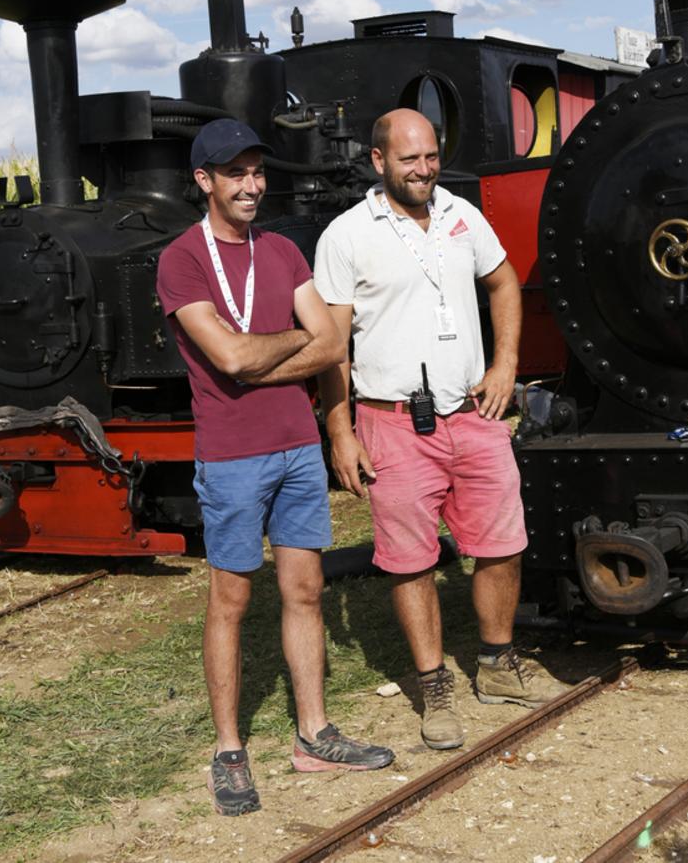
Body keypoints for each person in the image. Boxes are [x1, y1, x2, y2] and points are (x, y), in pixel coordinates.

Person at [156, 118, 394, 817]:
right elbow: (228, 357)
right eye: (235, 172)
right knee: (230, 601)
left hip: (296, 448)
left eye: (257, 171)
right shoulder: (182, 260)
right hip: (231, 456)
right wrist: (292, 347)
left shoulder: (284, 250)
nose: (251, 184)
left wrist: (263, 356)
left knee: (306, 590)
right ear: (205, 180)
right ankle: (229, 749)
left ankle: (313, 734)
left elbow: (331, 344)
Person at [314, 108, 568, 752]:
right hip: (392, 420)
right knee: (410, 561)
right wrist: (340, 432)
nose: (424, 169)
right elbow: (332, 347)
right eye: (409, 160)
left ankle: (497, 663)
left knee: (503, 541)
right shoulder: (345, 236)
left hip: (473, 413)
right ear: (378, 162)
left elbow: (504, 281)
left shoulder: (461, 215)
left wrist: (506, 362)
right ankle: (432, 686)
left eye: (430, 156)